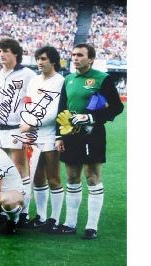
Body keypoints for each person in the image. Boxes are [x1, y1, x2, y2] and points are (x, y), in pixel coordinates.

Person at [55, 43, 124, 239]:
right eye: (73, 55)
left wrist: (91, 118)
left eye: (80, 55)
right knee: (71, 177)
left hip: (92, 133)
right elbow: (61, 108)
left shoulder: (102, 79)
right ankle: (70, 223)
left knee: (92, 176)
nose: (75, 58)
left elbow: (117, 107)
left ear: (91, 59)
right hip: (70, 134)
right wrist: (59, 135)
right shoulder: (68, 79)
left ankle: (91, 226)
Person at [0, 38, 37, 226]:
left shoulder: (27, 74)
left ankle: (23, 211)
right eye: (0, 51)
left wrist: (28, 124)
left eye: (6, 51)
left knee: (20, 169)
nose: (2, 54)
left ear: (16, 53)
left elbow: (32, 101)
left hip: (16, 128)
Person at [19, 46, 64, 233]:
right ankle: (41, 216)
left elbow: (55, 110)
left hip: (50, 134)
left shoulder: (60, 81)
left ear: (53, 61)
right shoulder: (34, 80)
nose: (39, 62)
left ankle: (54, 218)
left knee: (53, 177)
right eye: (38, 58)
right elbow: (27, 103)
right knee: (37, 177)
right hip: (33, 133)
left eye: (43, 58)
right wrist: (25, 122)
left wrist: (31, 123)